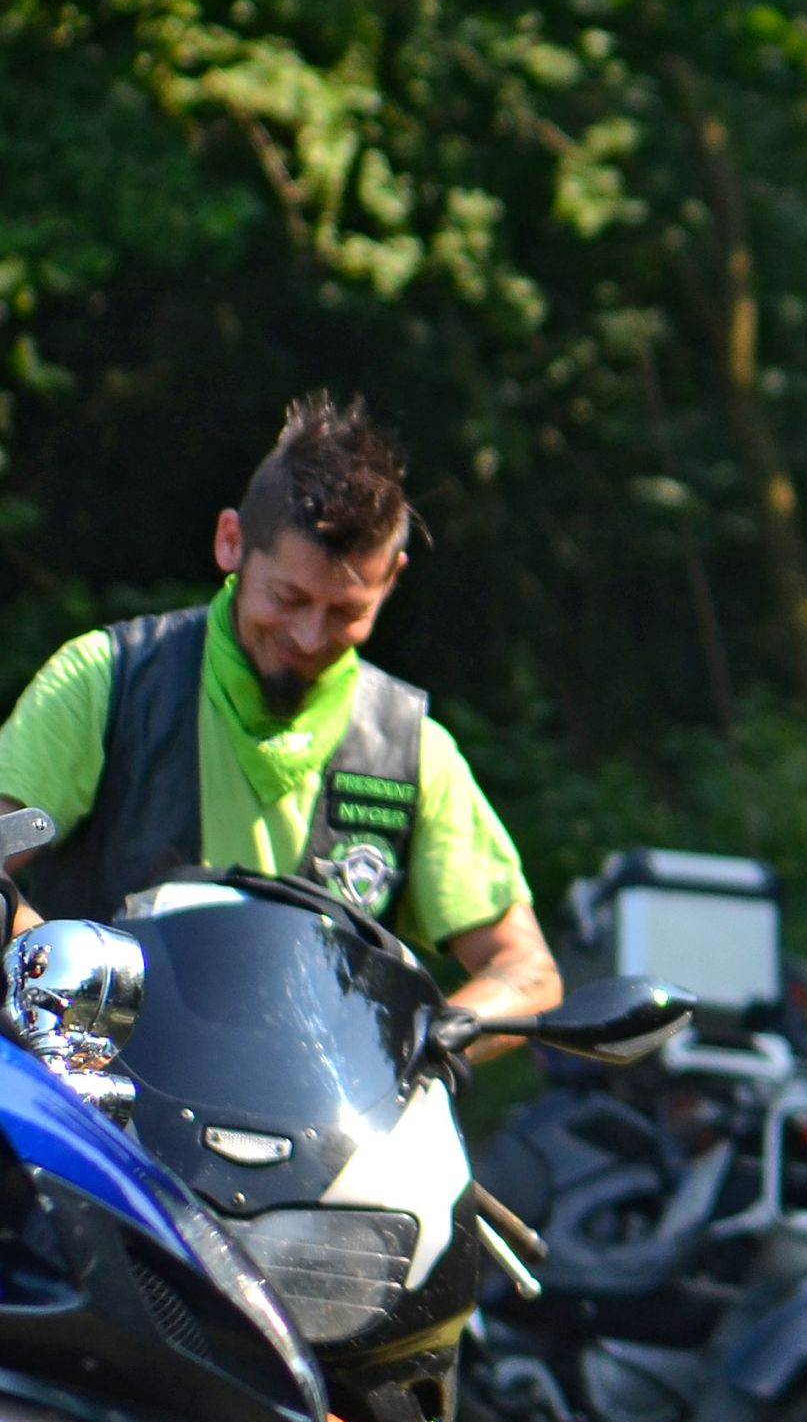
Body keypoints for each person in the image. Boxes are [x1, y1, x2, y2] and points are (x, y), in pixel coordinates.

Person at [0, 394, 559, 1036]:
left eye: (346, 611)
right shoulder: (106, 679)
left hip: (322, 1127)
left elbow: (528, 972)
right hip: (99, 1107)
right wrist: (66, 972)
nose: (309, 634)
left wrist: (436, 1037)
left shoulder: (414, 751)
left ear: (392, 579)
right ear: (231, 542)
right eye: (288, 597)